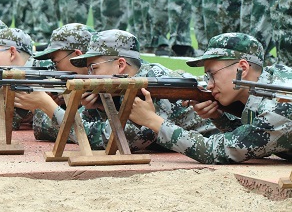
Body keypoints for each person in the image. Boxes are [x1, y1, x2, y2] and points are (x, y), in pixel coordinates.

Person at [129, 33, 292, 163]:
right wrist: (218, 117)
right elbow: (255, 142)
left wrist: (153, 121)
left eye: (212, 75)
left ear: (242, 68)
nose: (210, 85)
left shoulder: (281, 103)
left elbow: (218, 151)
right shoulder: (267, 84)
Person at [59, 30, 218, 150]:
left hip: (217, 140)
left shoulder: (151, 86)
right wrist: (100, 108)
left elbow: (119, 140)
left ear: (120, 65)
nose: (89, 76)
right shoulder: (124, 86)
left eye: (93, 68)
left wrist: (50, 108)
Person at [14, 23, 93, 141]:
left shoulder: (101, 89)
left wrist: (45, 105)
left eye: (56, 62)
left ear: (77, 56)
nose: (54, 68)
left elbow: (89, 135)